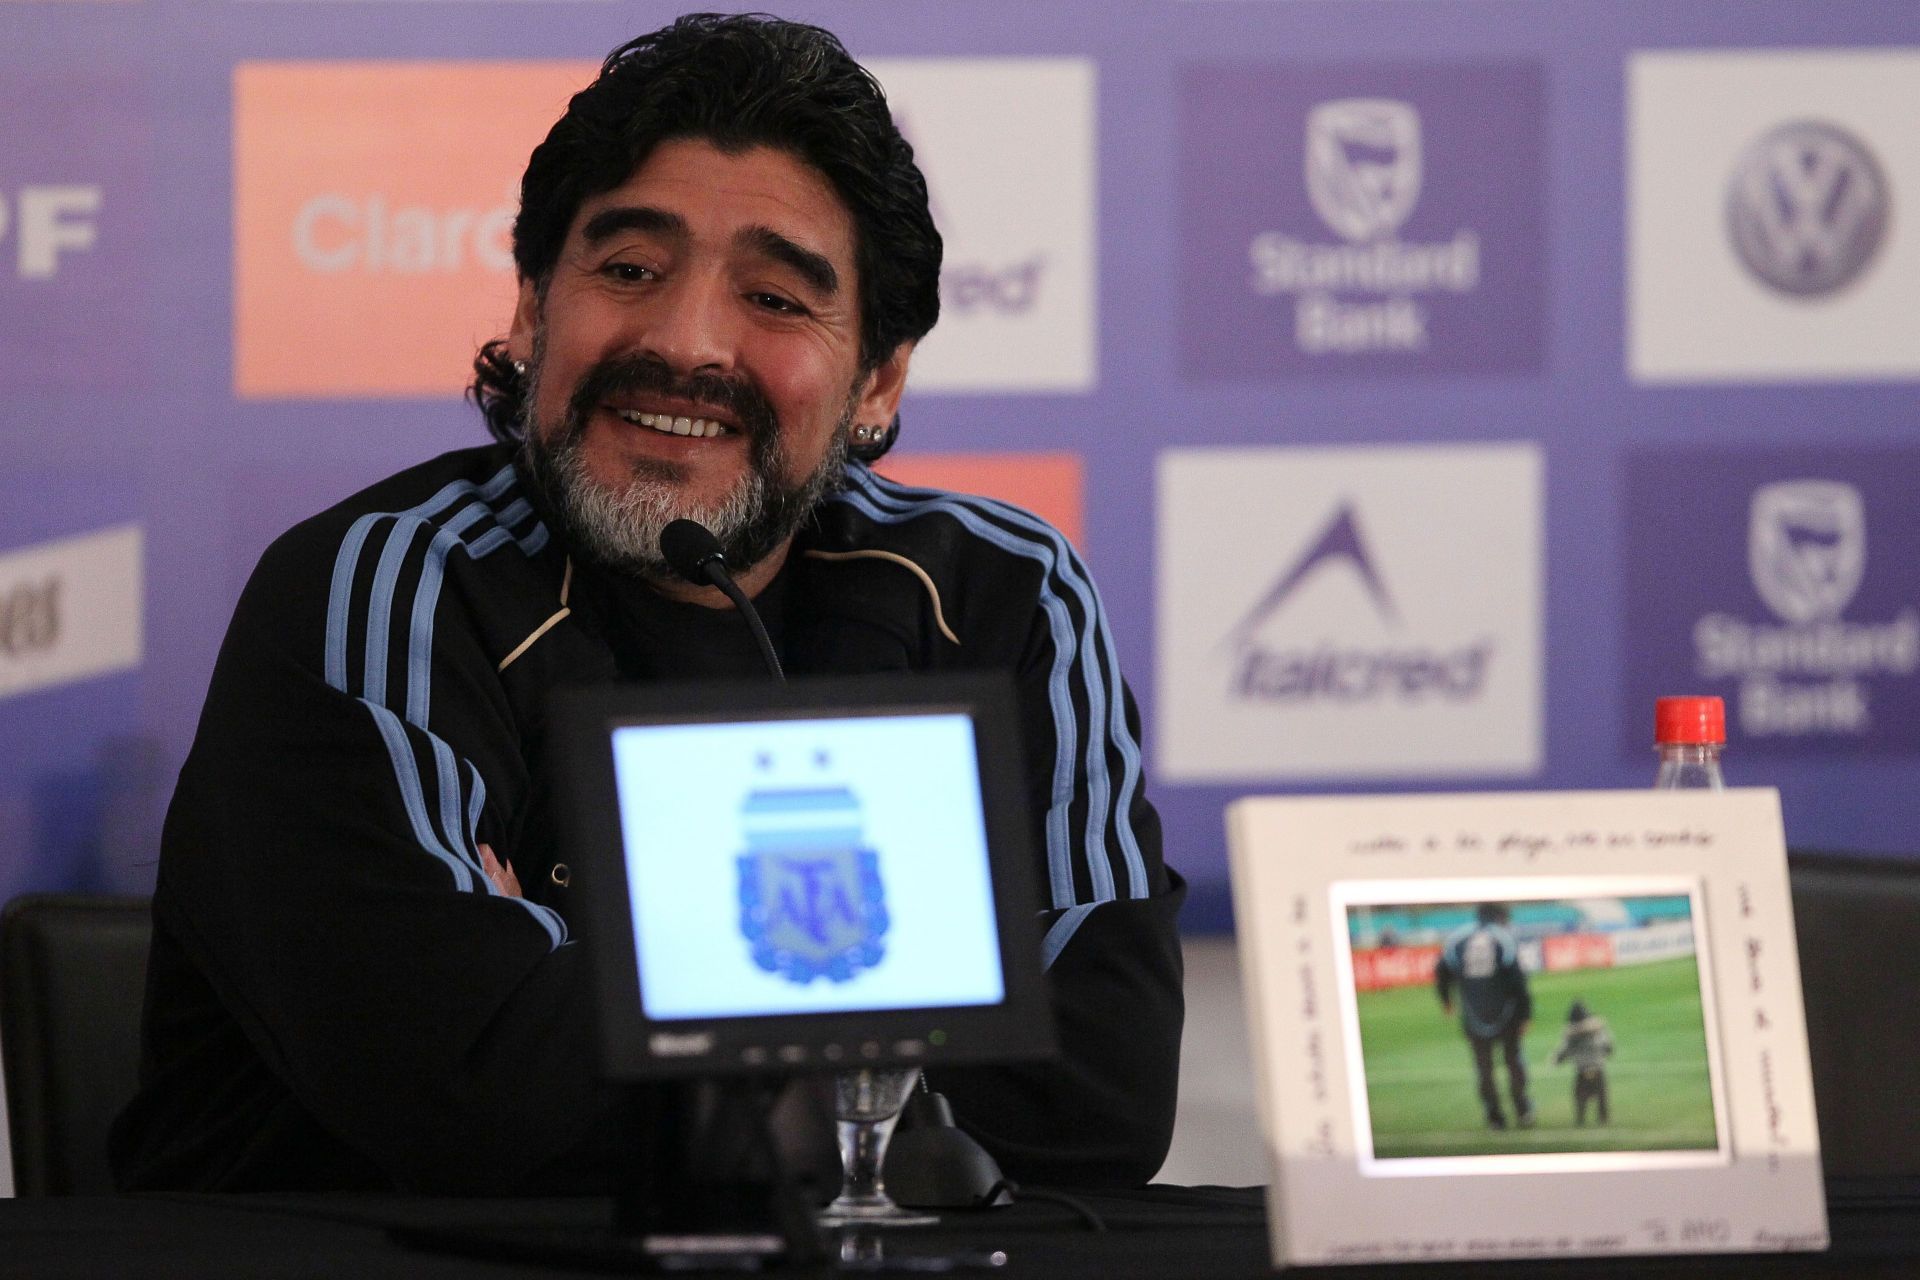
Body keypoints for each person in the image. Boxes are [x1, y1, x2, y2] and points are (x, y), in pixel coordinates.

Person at [110, 13, 1184, 1194]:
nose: (684, 343)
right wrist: (920, 1030)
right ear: (530, 310)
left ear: (877, 378)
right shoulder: (387, 587)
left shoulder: (1008, 595)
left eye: (776, 298)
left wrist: (579, 971)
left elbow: (1101, 1087)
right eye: (628, 271)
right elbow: (467, 1083)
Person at [1434, 902, 1533, 1130]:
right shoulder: (1503, 938)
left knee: (1484, 1068)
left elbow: (1442, 972)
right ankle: (1522, 1109)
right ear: (1499, 916)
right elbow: (1517, 981)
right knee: (1514, 1062)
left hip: (1473, 1015)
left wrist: (1446, 1000)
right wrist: (1525, 1014)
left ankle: (1494, 1117)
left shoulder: (1457, 939)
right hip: (1506, 1015)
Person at [1553, 998, 1614, 1125]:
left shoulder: (1571, 1034)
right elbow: (1607, 1047)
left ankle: (1581, 1120)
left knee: (1580, 1098)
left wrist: (1557, 1060)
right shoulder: (1598, 1030)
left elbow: (1564, 1051)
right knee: (1601, 1097)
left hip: (1581, 1070)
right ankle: (1603, 1120)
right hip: (1597, 1069)